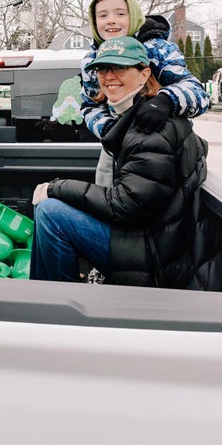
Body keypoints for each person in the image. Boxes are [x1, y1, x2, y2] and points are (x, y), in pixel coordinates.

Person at [30, 36, 212, 288]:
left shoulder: (152, 125)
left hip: (152, 254)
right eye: (103, 68)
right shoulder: (131, 116)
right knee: (51, 206)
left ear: (144, 74)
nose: (109, 76)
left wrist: (55, 187)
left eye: (120, 67)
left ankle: (57, 304)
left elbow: (128, 205)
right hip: (144, 234)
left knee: (51, 212)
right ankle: (42, 294)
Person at [81, 0, 209, 143]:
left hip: (165, 139)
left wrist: (166, 101)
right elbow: (89, 105)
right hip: (122, 147)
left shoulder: (157, 50)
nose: (111, 20)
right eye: (102, 15)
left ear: (134, 17)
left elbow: (198, 93)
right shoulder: (92, 60)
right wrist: (110, 129)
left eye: (120, 14)